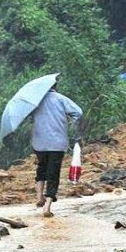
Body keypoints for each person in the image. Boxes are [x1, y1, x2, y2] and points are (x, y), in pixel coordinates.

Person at [31, 82, 83, 217]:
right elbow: (78, 112)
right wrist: (70, 122)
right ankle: (47, 206)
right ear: (55, 87)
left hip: (39, 142)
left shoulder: (35, 101)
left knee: (41, 167)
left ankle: (39, 197)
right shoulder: (60, 99)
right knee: (53, 172)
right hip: (57, 142)